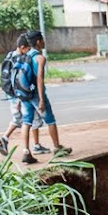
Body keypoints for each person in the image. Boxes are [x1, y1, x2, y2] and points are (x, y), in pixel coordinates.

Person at [20, 30, 72, 164]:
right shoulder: (40, 58)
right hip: (36, 94)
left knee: (26, 122)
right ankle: (57, 147)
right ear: (38, 41)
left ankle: (26, 151)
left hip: (25, 95)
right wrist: (41, 99)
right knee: (50, 120)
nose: (44, 42)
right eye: (42, 39)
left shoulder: (24, 55)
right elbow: (40, 79)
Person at [0, 34, 49, 157]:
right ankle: (5, 138)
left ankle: (36, 144)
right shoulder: (19, 58)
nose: (29, 51)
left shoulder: (10, 55)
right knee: (23, 119)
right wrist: (19, 98)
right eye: (28, 49)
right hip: (19, 95)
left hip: (13, 94)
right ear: (23, 47)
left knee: (29, 119)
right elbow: (19, 80)